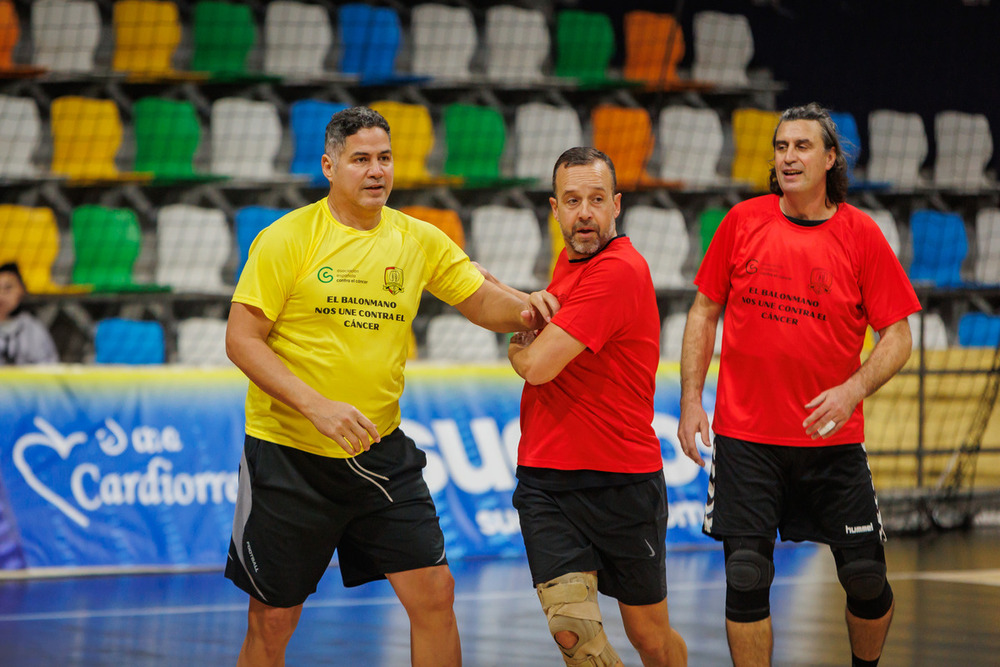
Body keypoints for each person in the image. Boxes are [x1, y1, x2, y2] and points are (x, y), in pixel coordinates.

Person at [224, 106, 556, 667]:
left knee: (434, 594)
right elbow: (241, 340)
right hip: (289, 458)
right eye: (360, 160)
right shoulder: (287, 239)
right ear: (329, 166)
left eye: (384, 158)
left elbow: (479, 299)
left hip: (379, 452)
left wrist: (531, 312)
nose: (376, 171)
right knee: (273, 620)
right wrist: (318, 407)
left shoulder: (418, 239)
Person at [677, 103, 920, 667]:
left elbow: (898, 336)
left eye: (802, 146)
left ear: (831, 158)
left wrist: (852, 389)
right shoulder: (743, 221)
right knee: (746, 575)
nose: (789, 157)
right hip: (746, 440)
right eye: (781, 147)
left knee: (864, 579)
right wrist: (692, 398)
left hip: (831, 444)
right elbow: (704, 310)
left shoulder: (861, 235)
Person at [503, 147, 688, 667]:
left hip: (622, 482)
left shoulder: (620, 271)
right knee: (573, 634)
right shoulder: (567, 262)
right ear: (555, 209)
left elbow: (537, 365)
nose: (584, 212)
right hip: (547, 482)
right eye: (572, 200)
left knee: (651, 640)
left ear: (616, 206)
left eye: (596, 199)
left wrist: (517, 346)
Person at [0, 262, 58, 365]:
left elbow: (49, 365)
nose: (1, 296)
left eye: (8, 288)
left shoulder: (32, 328)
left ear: (21, 290)